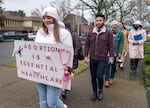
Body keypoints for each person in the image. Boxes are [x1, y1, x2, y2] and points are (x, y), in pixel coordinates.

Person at [35, 6, 73, 108]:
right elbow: (34, 51)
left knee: (51, 101)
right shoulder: (39, 33)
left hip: (55, 72)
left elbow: (69, 53)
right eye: (44, 18)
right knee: (43, 101)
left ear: (55, 19)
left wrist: (68, 70)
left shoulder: (64, 33)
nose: (46, 20)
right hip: (40, 71)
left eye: (49, 17)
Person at [84, 13, 114, 101]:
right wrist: (86, 56)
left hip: (102, 59)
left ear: (104, 21)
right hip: (93, 58)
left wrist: (111, 56)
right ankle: (94, 92)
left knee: (100, 75)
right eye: (97, 20)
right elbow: (86, 45)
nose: (98, 22)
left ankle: (100, 91)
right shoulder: (90, 32)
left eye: (100, 20)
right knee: (93, 76)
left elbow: (111, 46)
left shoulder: (108, 33)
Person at [61, 21, 81, 98]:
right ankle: (66, 87)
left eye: (65, 28)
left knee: (67, 73)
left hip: (71, 58)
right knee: (64, 74)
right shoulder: (61, 35)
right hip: (62, 58)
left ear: (69, 28)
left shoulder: (74, 35)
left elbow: (78, 46)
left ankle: (64, 90)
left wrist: (73, 54)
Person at [104, 21, 124, 87]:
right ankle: (106, 80)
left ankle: (111, 78)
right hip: (108, 52)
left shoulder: (120, 33)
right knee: (107, 66)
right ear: (111, 26)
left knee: (113, 66)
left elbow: (121, 43)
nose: (114, 28)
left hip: (115, 52)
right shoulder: (107, 32)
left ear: (117, 27)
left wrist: (120, 52)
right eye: (113, 27)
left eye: (115, 27)